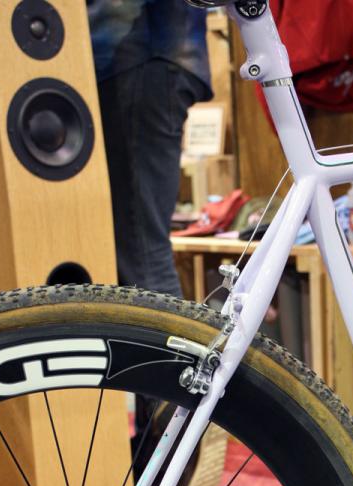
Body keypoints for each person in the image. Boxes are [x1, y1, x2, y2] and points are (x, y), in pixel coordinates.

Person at [88, 0, 213, 297]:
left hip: (139, 53)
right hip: (146, 54)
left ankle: (163, 331)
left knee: (142, 252)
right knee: (137, 248)